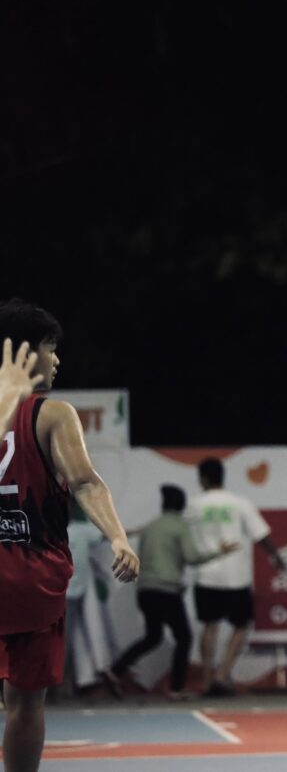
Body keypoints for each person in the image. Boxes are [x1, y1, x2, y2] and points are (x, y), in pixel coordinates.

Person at [0, 300, 139, 772]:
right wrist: (118, 537)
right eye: (49, 347)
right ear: (22, 353)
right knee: (24, 703)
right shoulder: (52, 414)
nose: (56, 359)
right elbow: (85, 483)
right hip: (30, 578)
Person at [103, 485, 238, 700]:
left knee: (153, 636)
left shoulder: (151, 527)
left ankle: (115, 670)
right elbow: (192, 557)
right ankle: (176, 688)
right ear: (181, 506)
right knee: (184, 638)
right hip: (166, 591)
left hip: (145, 591)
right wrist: (218, 552)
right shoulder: (179, 527)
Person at [186, 457, 285, 696]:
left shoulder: (193, 506)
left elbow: (183, 536)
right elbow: (261, 535)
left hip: (206, 575)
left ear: (203, 479)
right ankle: (222, 674)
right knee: (242, 625)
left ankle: (207, 680)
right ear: (222, 477)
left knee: (210, 625)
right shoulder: (240, 503)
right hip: (236, 576)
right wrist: (276, 557)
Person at [63, 501, 106, 697]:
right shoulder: (50, 531)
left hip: (77, 594)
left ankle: (75, 683)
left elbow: (107, 535)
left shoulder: (82, 530)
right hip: (60, 596)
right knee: (64, 642)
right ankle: (59, 686)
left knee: (75, 639)